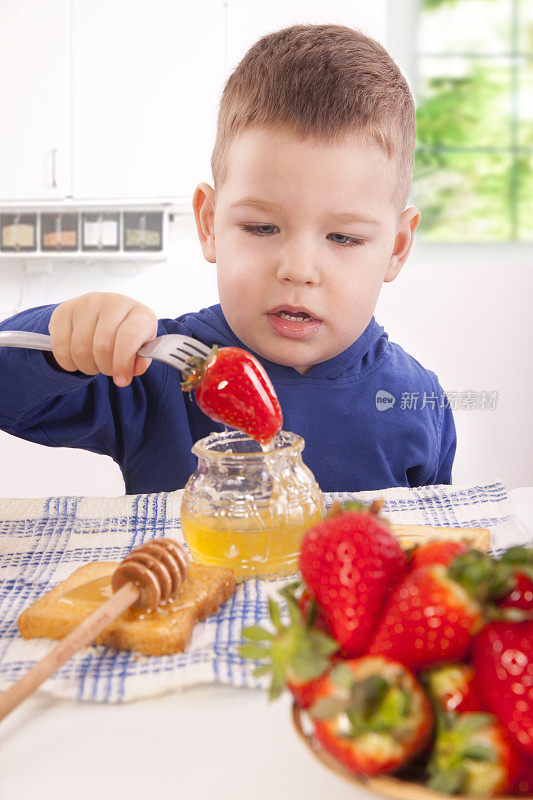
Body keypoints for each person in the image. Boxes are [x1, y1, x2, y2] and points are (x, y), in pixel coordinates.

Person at [0, 24, 456, 495]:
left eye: (343, 237)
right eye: (261, 228)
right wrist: (70, 334)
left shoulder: (417, 402)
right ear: (209, 223)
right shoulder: (155, 370)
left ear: (397, 246)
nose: (298, 269)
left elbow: (434, 544)